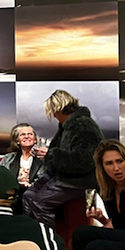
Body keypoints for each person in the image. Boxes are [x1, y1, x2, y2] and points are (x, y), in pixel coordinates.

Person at [22, 89, 103, 229]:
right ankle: (32, 234)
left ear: (60, 108)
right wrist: (50, 155)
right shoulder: (68, 126)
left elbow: (85, 161)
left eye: (53, 111)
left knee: (39, 203)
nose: (53, 115)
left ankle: (48, 242)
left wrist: (52, 155)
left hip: (78, 180)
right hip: (61, 175)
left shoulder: (82, 125)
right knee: (27, 196)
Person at [0, 123, 45, 187]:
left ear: (35, 139)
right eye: (22, 134)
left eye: (30, 134)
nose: (26, 137)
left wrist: (30, 186)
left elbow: (43, 181)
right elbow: (1, 178)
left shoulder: (42, 160)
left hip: (34, 194)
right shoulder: (8, 159)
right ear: (17, 140)